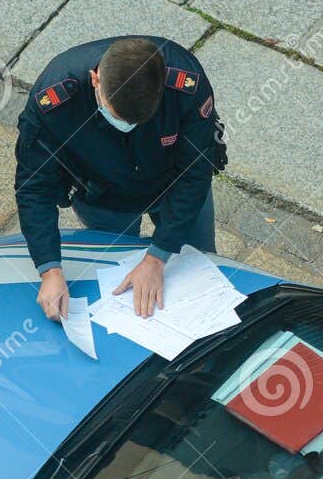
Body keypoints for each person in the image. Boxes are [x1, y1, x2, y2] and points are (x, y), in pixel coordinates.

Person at [15, 36, 221, 321]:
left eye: (138, 122)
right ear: (95, 80)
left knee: (201, 268)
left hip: (174, 186)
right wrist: (50, 270)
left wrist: (157, 256)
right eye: (118, 117)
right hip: (104, 197)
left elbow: (195, 172)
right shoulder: (55, 98)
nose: (126, 128)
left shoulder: (186, 84)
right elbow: (35, 187)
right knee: (116, 281)